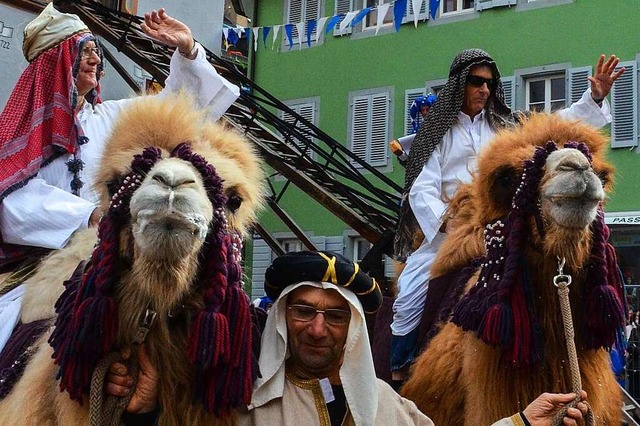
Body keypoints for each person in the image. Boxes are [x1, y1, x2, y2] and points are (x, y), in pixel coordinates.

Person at [107, 250, 589, 426]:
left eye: (335, 317)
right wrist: (147, 415)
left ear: (353, 329)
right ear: (281, 319)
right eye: (304, 312)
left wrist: (525, 422)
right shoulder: (243, 405)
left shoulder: (386, 407)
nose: (318, 329)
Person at [0, 4, 239, 351]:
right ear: (57, 64)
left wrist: (187, 51)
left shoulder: (114, 117)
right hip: (43, 261)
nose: (96, 59)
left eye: (96, 50)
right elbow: (8, 200)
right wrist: (87, 216)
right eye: (84, 51)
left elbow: (180, 105)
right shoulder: (18, 134)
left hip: (115, 249)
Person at [391, 48, 626, 383]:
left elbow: (557, 126)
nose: (483, 89)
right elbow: (421, 188)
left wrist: (595, 96)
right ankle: (400, 369)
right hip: (449, 230)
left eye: (489, 82)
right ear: (459, 83)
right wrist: (449, 222)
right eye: (475, 81)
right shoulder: (434, 134)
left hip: (499, 218)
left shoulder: (504, 127)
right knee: (412, 292)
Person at [390, 93, 437, 165]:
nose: (425, 112)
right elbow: (407, 156)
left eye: (427, 109)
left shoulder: (442, 125)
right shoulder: (416, 131)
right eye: (422, 110)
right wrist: (401, 154)